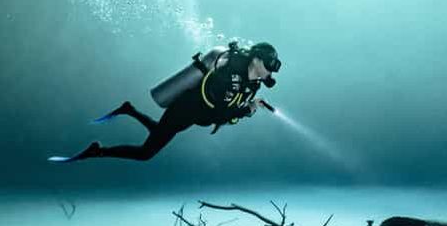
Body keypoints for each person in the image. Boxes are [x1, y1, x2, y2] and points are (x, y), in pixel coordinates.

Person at [50, 42, 281, 162]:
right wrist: (246, 111)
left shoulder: (253, 84)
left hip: (195, 115)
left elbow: (228, 110)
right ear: (256, 59)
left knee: (161, 130)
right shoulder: (230, 75)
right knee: (145, 153)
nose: (271, 71)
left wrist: (245, 108)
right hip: (186, 108)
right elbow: (223, 111)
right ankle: (96, 151)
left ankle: (128, 109)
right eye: (269, 64)